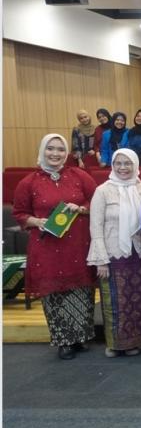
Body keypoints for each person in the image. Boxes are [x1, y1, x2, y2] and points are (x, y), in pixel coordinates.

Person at [12, 134, 97, 360]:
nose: (56, 154)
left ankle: (81, 337)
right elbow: (19, 213)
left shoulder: (79, 176)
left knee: (81, 290)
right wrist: (36, 221)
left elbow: (96, 201)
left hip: (78, 245)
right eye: (50, 149)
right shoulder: (29, 182)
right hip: (47, 247)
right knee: (55, 292)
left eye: (60, 149)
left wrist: (80, 208)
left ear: (66, 152)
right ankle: (63, 340)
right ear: (43, 151)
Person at [87, 148, 141, 358]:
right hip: (112, 254)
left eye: (128, 163)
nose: (123, 168)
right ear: (113, 166)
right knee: (114, 302)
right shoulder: (103, 190)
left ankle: (133, 342)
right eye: (119, 163)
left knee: (137, 301)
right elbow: (95, 226)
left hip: (139, 254)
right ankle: (115, 344)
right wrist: (101, 260)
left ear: (135, 165)